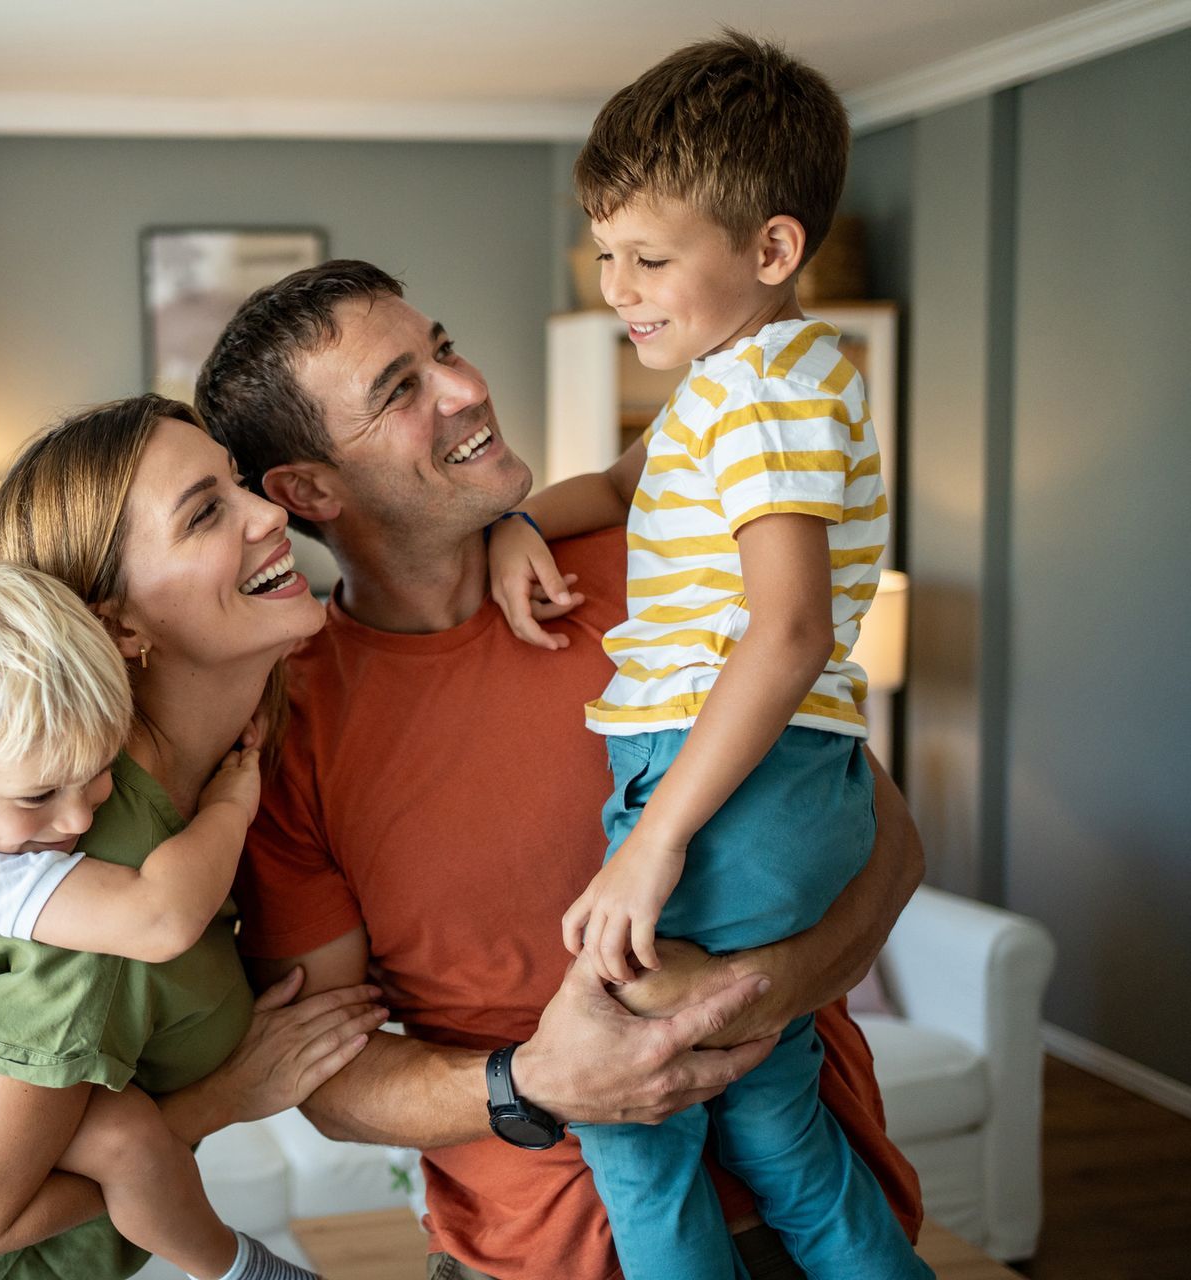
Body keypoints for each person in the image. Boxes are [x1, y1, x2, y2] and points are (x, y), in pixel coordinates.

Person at [194, 258, 925, 1279]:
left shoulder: (663, 565)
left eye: (442, 347)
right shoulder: (291, 730)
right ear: (308, 490)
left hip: (809, 1219)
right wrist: (539, 1076)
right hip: (530, 1250)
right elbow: (334, 1074)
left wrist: (762, 991)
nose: (465, 386)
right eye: (400, 388)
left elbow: (886, 837)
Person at [0, 395, 386, 1280]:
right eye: (207, 511)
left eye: (238, 483)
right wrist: (227, 1098)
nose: (272, 511)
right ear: (116, 625)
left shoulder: (140, 761)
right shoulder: (83, 875)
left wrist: (513, 532)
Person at [477, 33, 931, 1280]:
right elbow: (622, 486)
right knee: (778, 1123)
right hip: (782, 783)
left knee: (636, 1119)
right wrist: (518, 519)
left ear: (772, 250)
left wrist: (654, 843)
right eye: (606, 252)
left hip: (730, 783)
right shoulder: (744, 378)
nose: (619, 285)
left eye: (650, 257)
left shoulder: (765, 396)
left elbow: (785, 630)